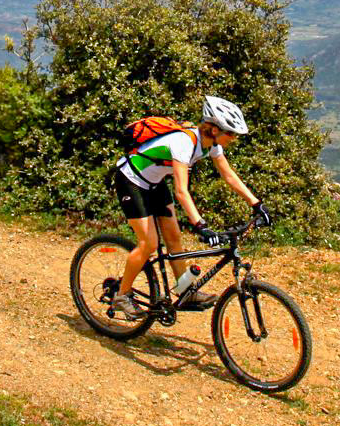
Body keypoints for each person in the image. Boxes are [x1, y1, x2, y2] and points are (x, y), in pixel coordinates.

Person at [107, 96, 265, 316]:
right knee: (149, 243)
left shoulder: (212, 145)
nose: (233, 138)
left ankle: (184, 291)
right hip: (131, 180)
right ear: (213, 129)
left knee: (174, 238)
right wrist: (201, 225)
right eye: (230, 133)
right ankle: (121, 296)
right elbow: (182, 191)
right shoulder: (184, 142)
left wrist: (256, 204)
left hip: (154, 183)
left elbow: (228, 175)